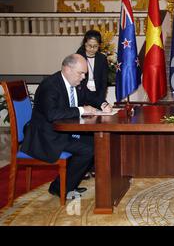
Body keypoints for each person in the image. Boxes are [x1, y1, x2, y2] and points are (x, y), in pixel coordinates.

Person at [21, 54, 113, 199]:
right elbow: (52, 114)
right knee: (88, 150)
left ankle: (68, 183)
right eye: (81, 73)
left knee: (98, 141)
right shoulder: (50, 86)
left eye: (85, 73)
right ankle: (60, 188)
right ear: (67, 69)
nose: (83, 77)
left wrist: (103, 103)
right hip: (47, 136)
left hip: (64, 131)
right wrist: (82, 110)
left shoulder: (75, 82)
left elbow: (90, 96)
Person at [76, 30, 109, 103]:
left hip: (97, 95)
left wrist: (100, 101)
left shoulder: (102, 58)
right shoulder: (78, 57)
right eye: (89, 45)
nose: (92, 49)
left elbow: (104, 82)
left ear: (99, 45)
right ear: (84, 43)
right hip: (82, 95)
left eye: (95, 46)